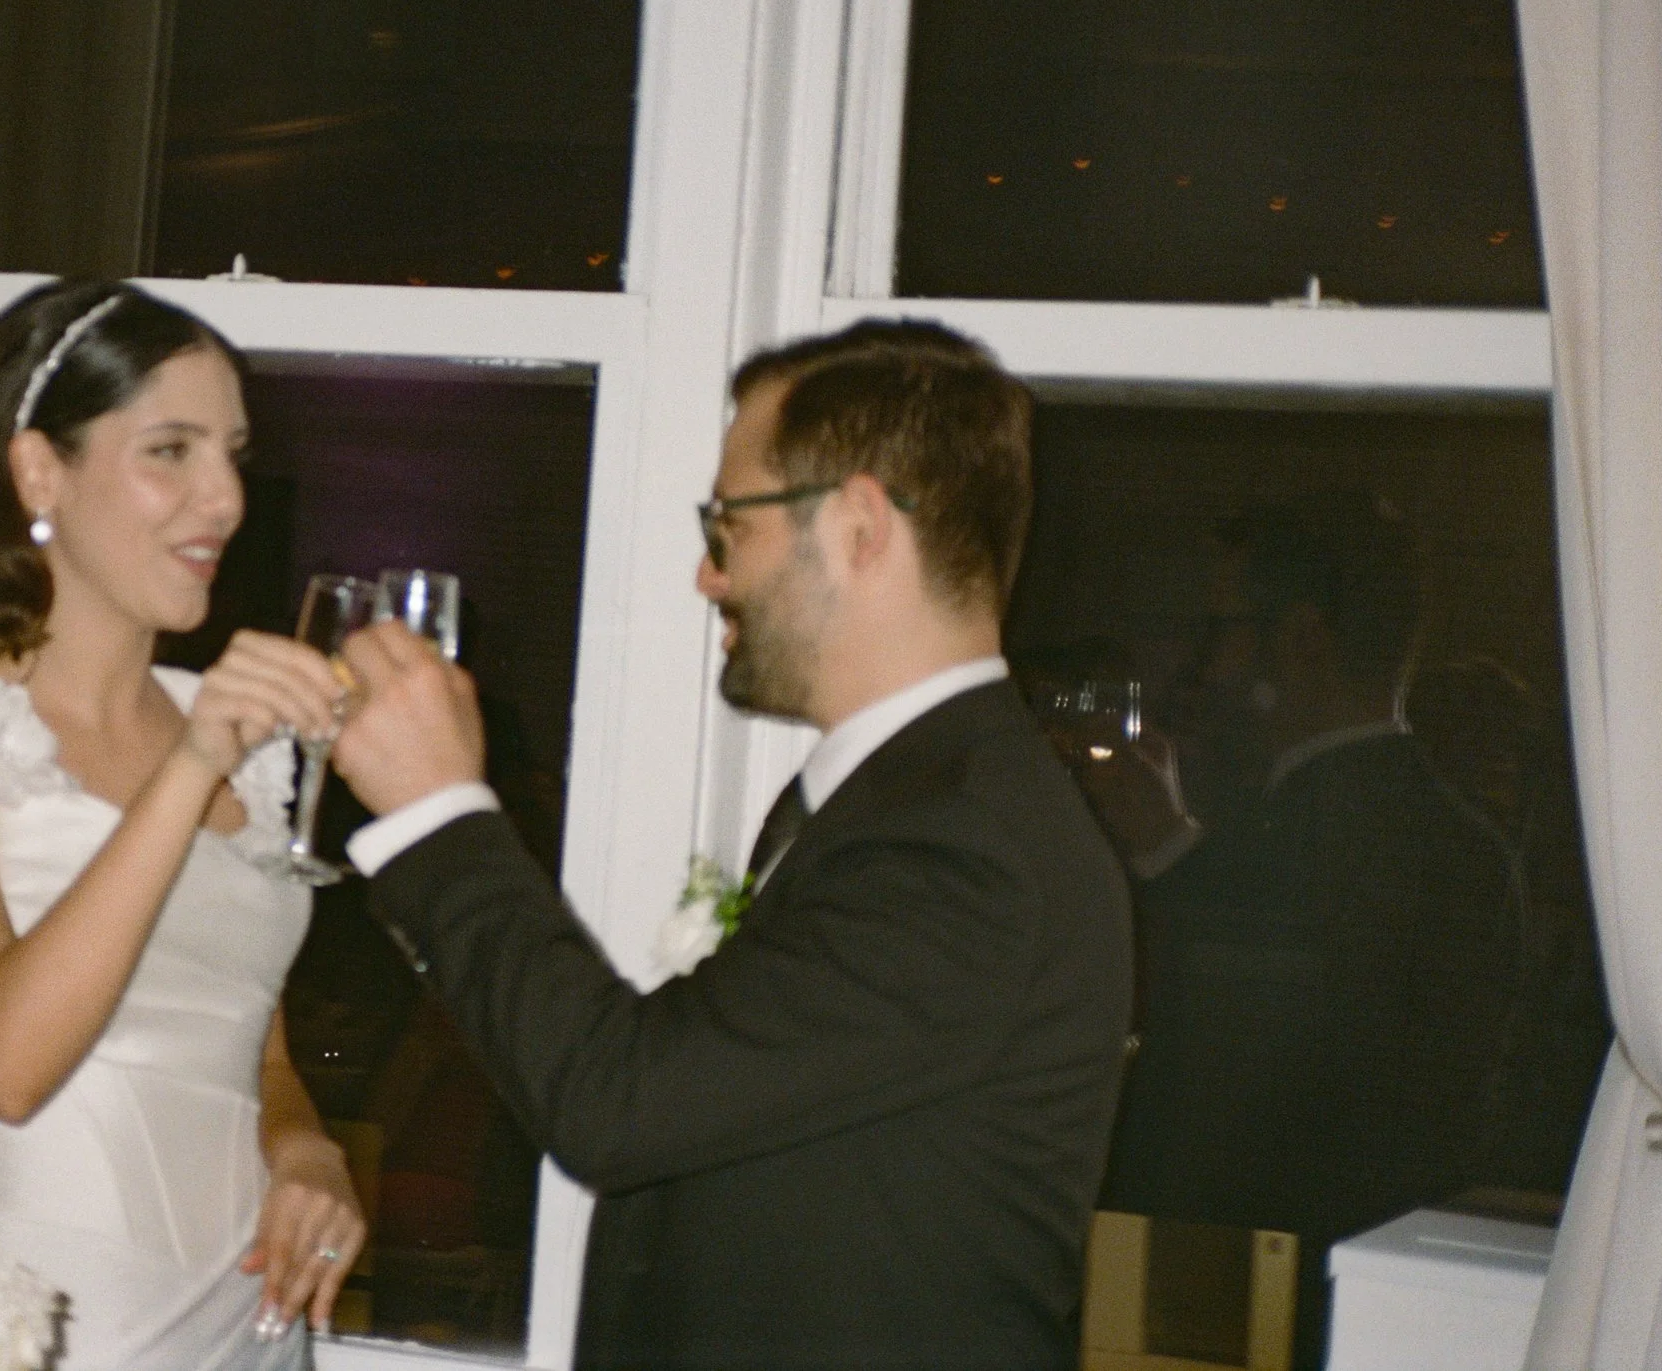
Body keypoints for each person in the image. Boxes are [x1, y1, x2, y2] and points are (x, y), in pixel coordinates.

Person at [326, 319, 1136, 1370]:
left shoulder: (960, 849)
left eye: (726, 529)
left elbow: (616, 1104)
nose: (708, 579)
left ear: (856, 527)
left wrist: (440, 813)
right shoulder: (905, 805)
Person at [0, 282, 364, 1371]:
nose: (223, 496)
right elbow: (6, 1065)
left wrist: (303, 1145)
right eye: (169, 451)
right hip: (41, 1331)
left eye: (231, 451)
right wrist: (187, 771)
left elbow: (249, 1040)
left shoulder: (240, 742)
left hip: (248, 1331)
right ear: (40, 471)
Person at [1106, 494, 1522, 1369]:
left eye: (1223, 629)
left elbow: (1241, 1102)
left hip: (1267, 1306)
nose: (1204, 666)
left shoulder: (1309, 841)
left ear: (1300, 638)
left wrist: (1165, 851)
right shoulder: (1462, 842)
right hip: (1397, 1308)